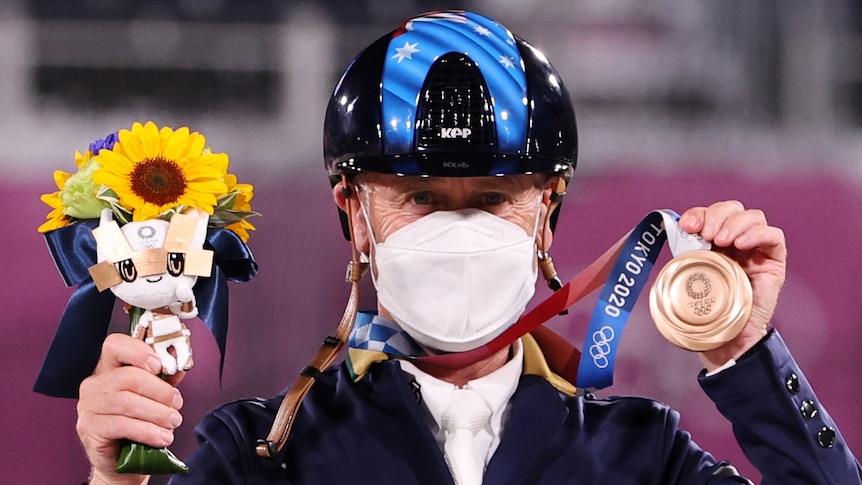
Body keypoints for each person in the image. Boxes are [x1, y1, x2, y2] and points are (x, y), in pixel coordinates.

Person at [75, 10, 860, 484]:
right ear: (355, 212)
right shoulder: (258, 453)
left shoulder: (642, 453)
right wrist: (115, 480)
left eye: (491, 199)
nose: (458, 232)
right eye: (419, 197)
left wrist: (748, 352)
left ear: (547, 215)